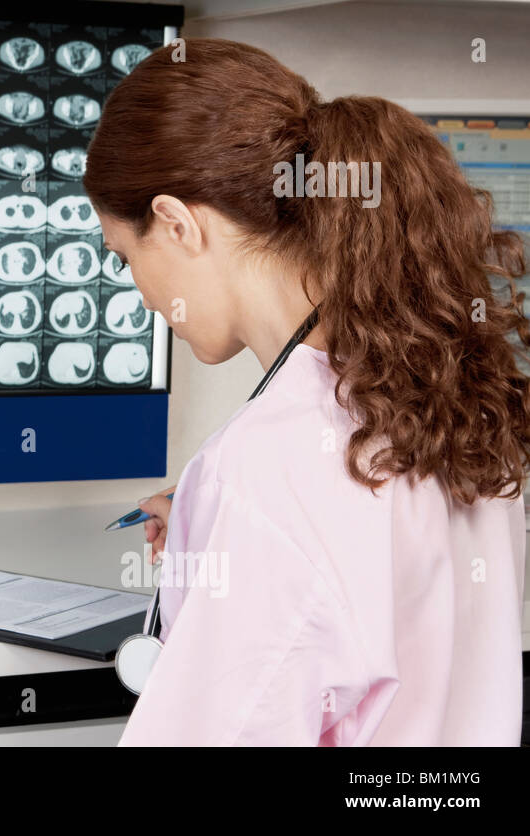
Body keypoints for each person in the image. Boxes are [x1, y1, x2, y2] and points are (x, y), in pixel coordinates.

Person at [84, 38, 529, 745]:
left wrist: (247, 516)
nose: (140, 293)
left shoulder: (271, 471)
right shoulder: (448, 395)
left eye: (125, 256)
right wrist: (222, 530)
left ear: (176, 223)